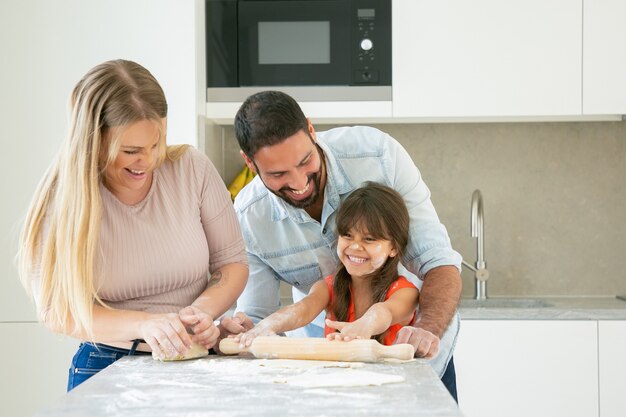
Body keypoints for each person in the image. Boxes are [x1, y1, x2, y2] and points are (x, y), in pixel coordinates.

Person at [17, 59, 248, 391]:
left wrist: (198, 314)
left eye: (157, 144)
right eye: (131, 151)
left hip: (198, 358)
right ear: (93, 141)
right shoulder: (63, 199)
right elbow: (59, 311)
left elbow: (232, 263)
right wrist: (148, 325)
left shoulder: (191, 168)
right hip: (106, 364)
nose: (149, 160)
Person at [220, 90, 462, 401]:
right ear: (250, 163)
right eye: (278, 174)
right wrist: (248, 330)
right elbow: (282, 312)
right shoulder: (248, 217)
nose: (298, 183)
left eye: (305, 161)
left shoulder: (379, 156)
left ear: (311, 130)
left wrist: (422, 330)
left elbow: (434, 263)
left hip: (418, 365)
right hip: (327, 376)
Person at [235, 182, 418, 347]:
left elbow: (382, 312)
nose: (354, 246)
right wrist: (267, 326)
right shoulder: (329, 288)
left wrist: (365, 325)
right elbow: (303, 309)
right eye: (347, 235)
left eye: (369, 239)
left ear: (393, 247)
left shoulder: (404, 293)